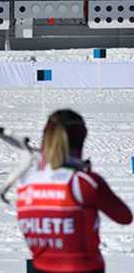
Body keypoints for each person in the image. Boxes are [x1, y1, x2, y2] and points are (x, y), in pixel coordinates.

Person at [16, 110, 132, 273]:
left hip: (40, 267)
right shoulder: (83, 182)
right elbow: (124, 217)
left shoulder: (25, 182)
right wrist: (90, 179)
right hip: (83, 268)